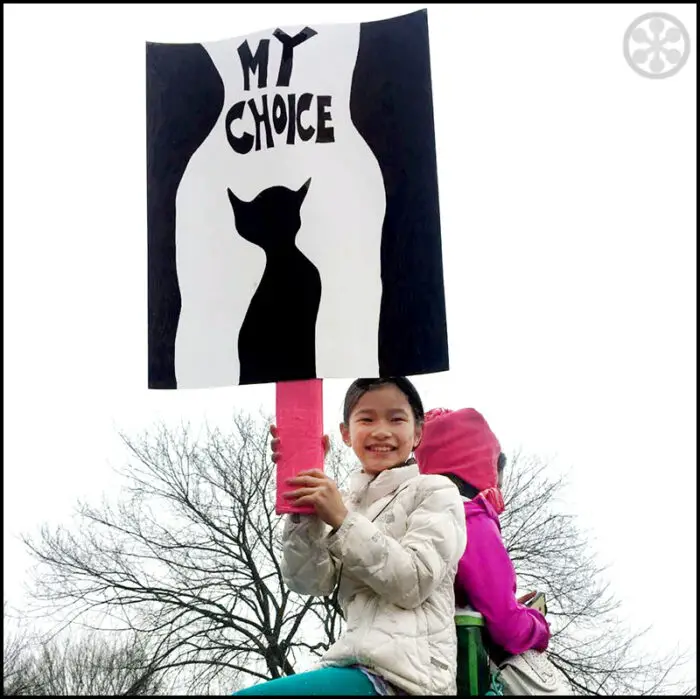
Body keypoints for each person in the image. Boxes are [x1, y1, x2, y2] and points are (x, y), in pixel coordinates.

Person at [233, 378, 467, 696]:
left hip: (409, 680)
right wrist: (306, 501)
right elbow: (310, 582)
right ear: (346, 433)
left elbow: (414, 580)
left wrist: (342, 519)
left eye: (396, 418)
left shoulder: (435, 491)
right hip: (352, 665)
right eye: (366, 419)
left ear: (417, 433)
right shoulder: (347, 503)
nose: (381, 430)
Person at [414, 408, 550, 658]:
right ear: (480, 467)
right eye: (496, 482)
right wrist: (538, 624)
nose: (498, 491)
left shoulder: (410, 510)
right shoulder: (471, 519)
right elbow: (508, 628)